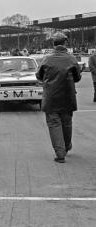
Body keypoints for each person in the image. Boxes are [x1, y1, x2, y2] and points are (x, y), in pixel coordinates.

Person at [36, 32, 81, 163]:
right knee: (67, 123)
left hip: (51, 97)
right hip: (68, 96)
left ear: (53, 44)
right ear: (65, 43)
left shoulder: (46, 59)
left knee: (54, 123)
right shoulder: (71, 59)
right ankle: (66, 146)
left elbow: (39, 76)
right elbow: (77, 78)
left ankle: (60, 153)